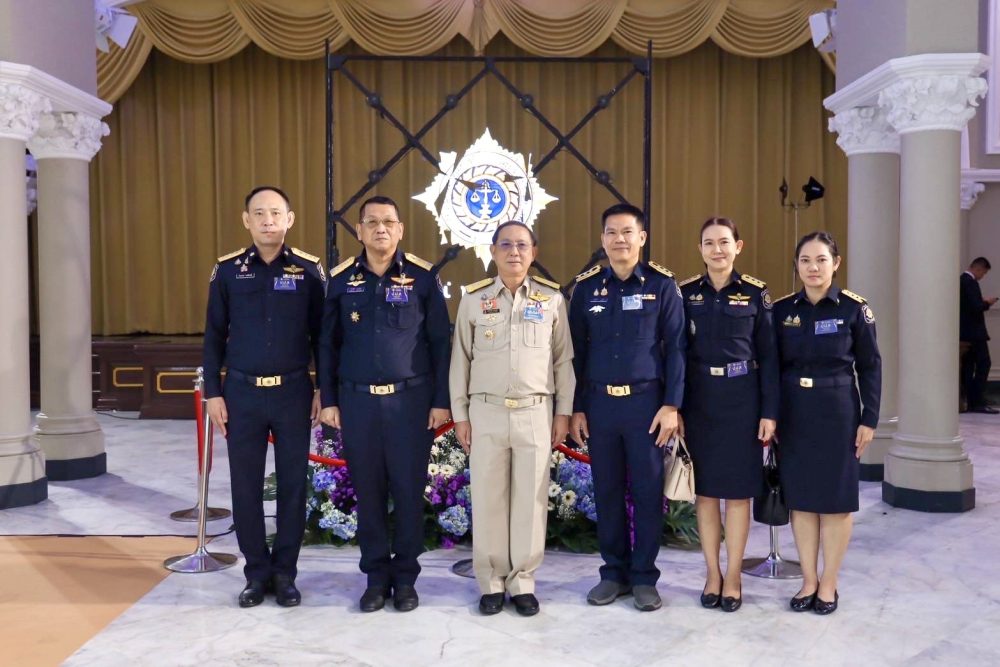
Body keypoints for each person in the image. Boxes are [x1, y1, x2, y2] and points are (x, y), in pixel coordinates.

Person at [318, 195, 451, 613]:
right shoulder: (341, 280)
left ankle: (406, 578)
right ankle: (375, 578)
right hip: (357, 404)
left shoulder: (423, 278)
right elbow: (327, 345)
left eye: (388, 222)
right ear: (358, 230)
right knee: (369, 493)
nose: (380, 229)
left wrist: (441, 401)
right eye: (372, 222)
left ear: (400, 229)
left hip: (410, 404)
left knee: (409, 493)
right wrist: (329, 399)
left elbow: (440, 343)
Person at [203, 185, 326, 608]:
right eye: (259, 213)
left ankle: (285, 573)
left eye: (275, 213)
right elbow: (213, 335)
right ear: (246, 220)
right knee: (245, 487)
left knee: (292, 486)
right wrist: (213, 393)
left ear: (289, 219)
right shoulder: (228, 271)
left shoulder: (308, 271)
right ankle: (256, 573)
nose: (268, 220)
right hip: (242, 394)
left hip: (293, 392)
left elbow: (323, 337)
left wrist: (322, 388)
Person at [449, 221, 574, 617]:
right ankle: (490, 582)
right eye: (505, 245)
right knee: (488, 498)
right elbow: (460, 360)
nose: (514, 252)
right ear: (493, 251)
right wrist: (460, 414)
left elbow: (563, 361)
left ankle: (522, 582)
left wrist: (563, 412)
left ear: (534, 252)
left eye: (522, 245)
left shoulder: (551, 300)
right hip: (486, 411)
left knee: (530, 502)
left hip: (535, 411)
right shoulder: (474, 299)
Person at [568, 203, 685, 612]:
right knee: (607, 490)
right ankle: (613, 573)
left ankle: (644, 577)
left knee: (648, 492)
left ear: (642, 238)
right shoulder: (586, 289)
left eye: (627, 232)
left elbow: (677, 349)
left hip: (647, 407)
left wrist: (672, 405)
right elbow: (575, 354)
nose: (619, 239)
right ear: (603, 240)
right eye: (611, 232)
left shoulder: (662, 286)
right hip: (600, 406)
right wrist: (577, 407)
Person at [773, 231, 881, 615]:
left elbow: (870, 366)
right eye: (805, 260)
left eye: (821, 260)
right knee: (801, 500)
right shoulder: (782, 311)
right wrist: (771, 414)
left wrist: (870, 418)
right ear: (796, 265)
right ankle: (808, 580)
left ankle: (829, 583)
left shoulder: (854, 309)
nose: (813, 268)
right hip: (794, 412)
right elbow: (772, 367)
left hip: (838, 412)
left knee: (835, 502)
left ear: (836, 263)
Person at [676, 217, 778, 613]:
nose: (717, 250)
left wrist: (769, 411)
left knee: (737, 494)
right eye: (708, 243)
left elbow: (769, 357)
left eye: (724, 242)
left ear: (739, 246)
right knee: (705, 493)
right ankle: (712, 574)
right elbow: (676, 354)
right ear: (699, 249)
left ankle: (733, 576)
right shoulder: (686, 293)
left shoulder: (755, 293)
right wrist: (676, 407)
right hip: (700, 401)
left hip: (742, 400)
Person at [960, 257, 997, 414]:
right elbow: (976, 307)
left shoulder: (961, 281)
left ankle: (970, 401)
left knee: (968, 368)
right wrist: (987, 303)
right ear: (978, 268)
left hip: (964, 333)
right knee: (984, 364)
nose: (982, 276)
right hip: (975, 334)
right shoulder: (970, 282)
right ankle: (977, 400)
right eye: (984, 273)